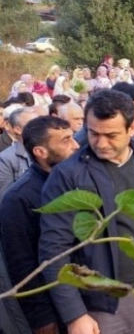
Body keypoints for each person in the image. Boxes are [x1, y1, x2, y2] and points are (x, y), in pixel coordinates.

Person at [38, 89, 134, 333]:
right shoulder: (68, 176)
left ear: (131, 129)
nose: (100, 143)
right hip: (103, 304)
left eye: (111, 135)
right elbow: (53, 251)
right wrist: (75, 315)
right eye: (93, 133)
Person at [0, 116, 79, 334]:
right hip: (54, 307)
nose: (76, 145)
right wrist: (42, 320)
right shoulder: (18, 199)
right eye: (65, 141)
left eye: (72, 137)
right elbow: (22, 264)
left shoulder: (79, 179)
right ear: (40, 152)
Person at [0, 107, 39, 198]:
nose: (40, 128)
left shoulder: (51, 149)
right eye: (33, 124)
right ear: (18, 129)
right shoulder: (6, 158)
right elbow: (5, 197)